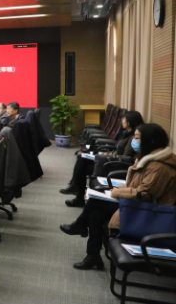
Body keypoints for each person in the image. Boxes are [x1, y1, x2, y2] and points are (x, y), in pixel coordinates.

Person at [60, 124, 176, 270]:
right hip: (139, 205)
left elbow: (144, 194)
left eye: (137, 138)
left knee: (96, 204)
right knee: (96, 211)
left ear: (150, 141)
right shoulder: (149, 159)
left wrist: (116, 193)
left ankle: (81, 228)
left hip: (149, 213)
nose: (134, 141)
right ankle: (92, 254)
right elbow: (134, 185)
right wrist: (117, 189)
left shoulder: (160, 167)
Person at [60, 111, 144, 207]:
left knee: (83, 167)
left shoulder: (132, 138)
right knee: (81, 158)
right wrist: (106, 154)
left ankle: (77, 194)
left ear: (130, 121)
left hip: (115, 166)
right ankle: (75, 189)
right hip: (112, 161)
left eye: (124, 119)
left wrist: (105, 157)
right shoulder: (125, 134)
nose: (122, 121)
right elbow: (117, 151)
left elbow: (125, 157)